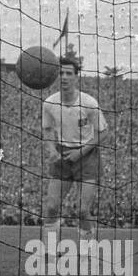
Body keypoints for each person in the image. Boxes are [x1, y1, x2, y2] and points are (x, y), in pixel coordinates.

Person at [40, 57, 108, 254]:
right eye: (61, 73)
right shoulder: (49, 103)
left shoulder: (89, 103)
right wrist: (52, 150)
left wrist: (80, 152)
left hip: (86, 155)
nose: (64, 77)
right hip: (62, 155)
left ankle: (88, 250)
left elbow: (102, 132)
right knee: (52, 206)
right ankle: (49, 250)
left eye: (69, 73)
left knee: (82, 211)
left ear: (77, 77)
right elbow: (47, 130)